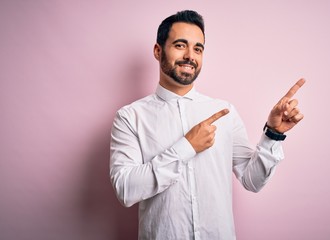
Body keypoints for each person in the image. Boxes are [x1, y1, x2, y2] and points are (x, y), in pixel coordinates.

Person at [110, 10, 305, 239]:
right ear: (158, 50)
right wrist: (186, 147)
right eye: (180, 45)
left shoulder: (224, 112)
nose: (190, 56)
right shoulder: (129, 117)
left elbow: (252, 180)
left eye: (198, 48)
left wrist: (273, 134)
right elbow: (126, 190)